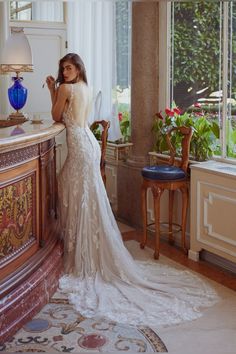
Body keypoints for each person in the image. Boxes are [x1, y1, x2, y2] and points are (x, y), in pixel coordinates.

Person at [46, 53, 219, 327]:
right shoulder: (85, 88)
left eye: (69, 68)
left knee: (75, 193)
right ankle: (80, 248)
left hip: (80, 147)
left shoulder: (66, 88)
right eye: (63, 69)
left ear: (78, 68)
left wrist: (51, 89)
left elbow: (55, 116)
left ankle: (79, 254)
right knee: (83, 195)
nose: (65, 72)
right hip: (88, 144)